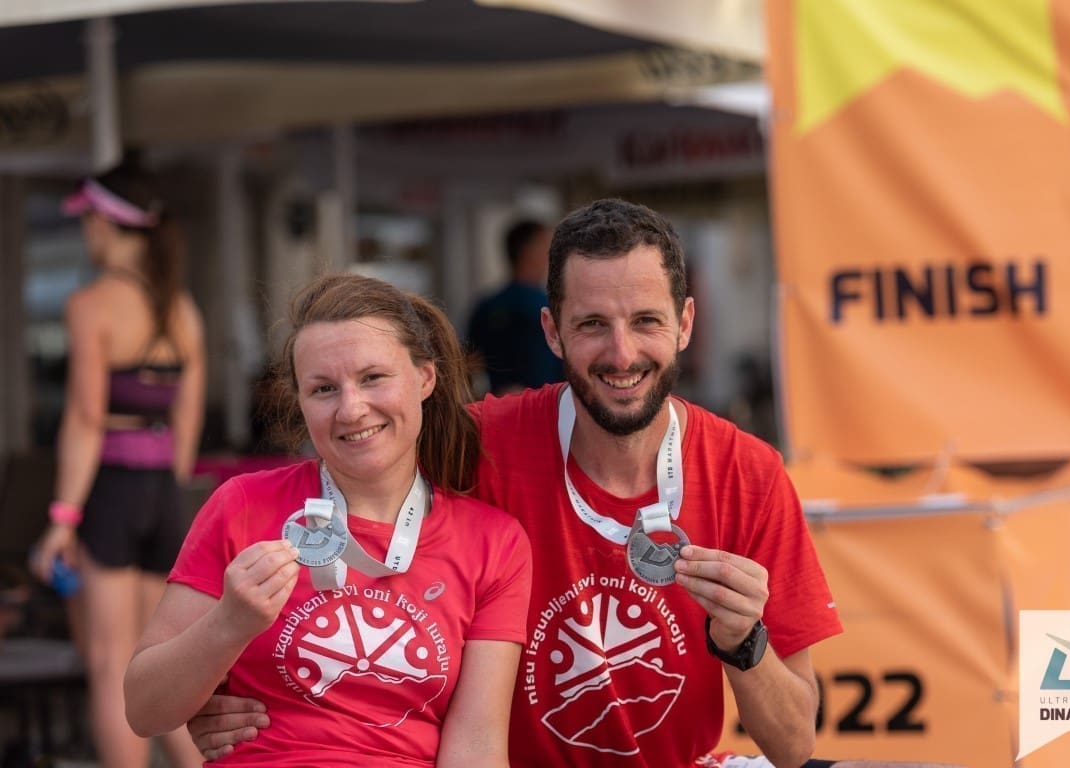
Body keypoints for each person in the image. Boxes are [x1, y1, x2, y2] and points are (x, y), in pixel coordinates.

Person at [189, 199, 846, 767]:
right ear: (551, 332)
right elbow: (354, 474)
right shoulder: (475, 444)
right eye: (592, 324)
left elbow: (793, 745)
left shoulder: (747, 473)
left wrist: (743, 642)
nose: (621, 353)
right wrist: (228, 693)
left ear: (686, 323)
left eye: (646, 320)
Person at [123, 273, 532, 767]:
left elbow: (477, 744)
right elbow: (144, 710)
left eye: (373, 378)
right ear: (300, 400)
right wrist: (228, 625)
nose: (351, 409)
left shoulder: (494, 542)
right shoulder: (243, 505)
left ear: (426, 378)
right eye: (323, 389)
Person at [29, 160, 206, 768]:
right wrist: (163, 491)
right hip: (163, 494)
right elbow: (186, 422)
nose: (86, 234)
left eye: (87, 222)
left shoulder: (92, 304)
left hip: (110, 492)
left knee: (112, 665)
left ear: (103, 223)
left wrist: (62, 518)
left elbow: (84, 418)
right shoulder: (181, 307)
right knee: (160, 661)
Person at [466, 218, 563, 395]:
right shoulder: (550, 307)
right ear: (530, 251)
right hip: (546, 405)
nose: (552, 255)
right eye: (547, 247)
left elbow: (468, 366)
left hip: (501, 404)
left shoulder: (486, 306)